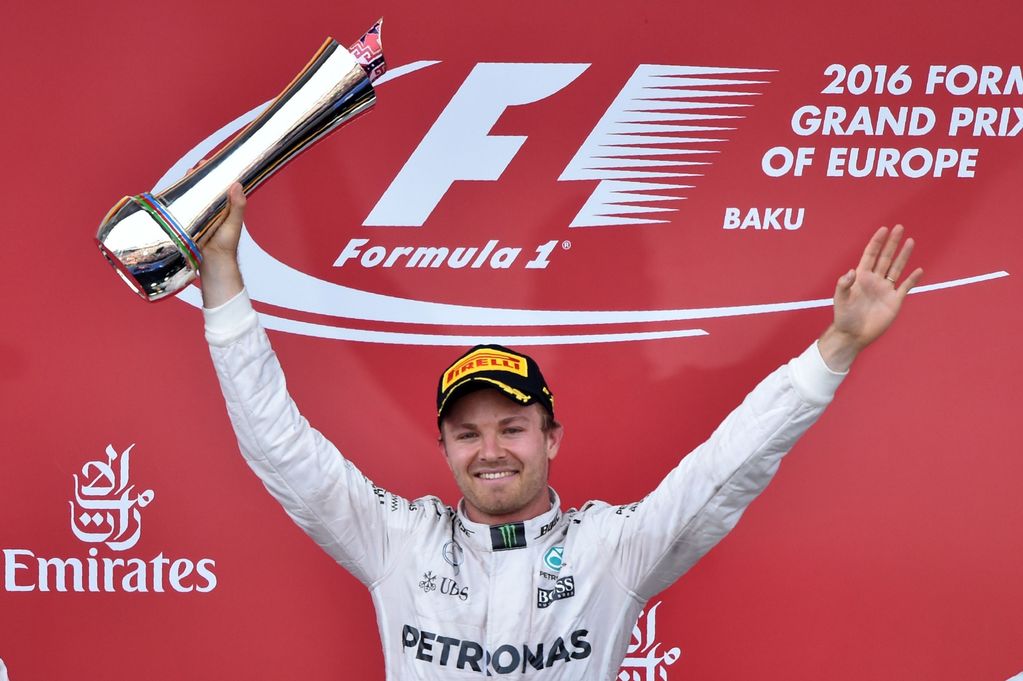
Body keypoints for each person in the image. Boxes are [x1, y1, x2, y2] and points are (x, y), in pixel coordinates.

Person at [200, 183, 922, 679]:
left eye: (511, 427)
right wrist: (224, 276)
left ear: (551, 437)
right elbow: (278, 446)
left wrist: (836, 346)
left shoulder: (612, 548)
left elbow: (729, 465)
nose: (488, 451)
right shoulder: (397, 540)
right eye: (466, 433)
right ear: (444, 447)